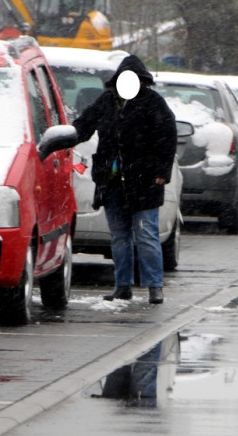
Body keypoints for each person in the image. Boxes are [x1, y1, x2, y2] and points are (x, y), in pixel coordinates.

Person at [72, 54, 177, 304]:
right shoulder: (107, 101)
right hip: (112, 182)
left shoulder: (153, 103)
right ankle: (123, 286)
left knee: (146, 234)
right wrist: (65, 137)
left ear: (143, 82)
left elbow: (167, 139)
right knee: (119, 236)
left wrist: (161, 174)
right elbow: (84, 125)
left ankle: (154, 286)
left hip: (145, 182)